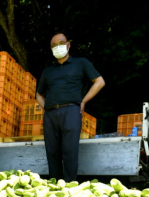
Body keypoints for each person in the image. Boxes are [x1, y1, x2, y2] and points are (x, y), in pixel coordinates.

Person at [36, 33, 105, 182]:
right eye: (54, 45)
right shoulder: (48, 71)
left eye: (61, 43)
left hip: (71, 110)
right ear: (51, 49)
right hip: (50, 114)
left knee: (70, 150)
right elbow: (38, 94)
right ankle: (54, 185)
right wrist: (46, 109)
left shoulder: (81, 63)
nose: (58, 47)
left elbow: (99, 82)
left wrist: (83, 101)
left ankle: (69, 185)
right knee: (52, 151)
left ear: (68, 44)